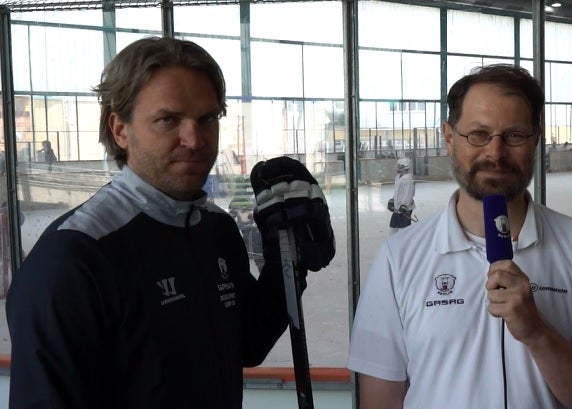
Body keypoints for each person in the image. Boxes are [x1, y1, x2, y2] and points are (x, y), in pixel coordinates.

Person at [5, 37, 332, 408]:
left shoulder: (215, 229)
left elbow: (246, 344)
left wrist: (285, 264)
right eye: (167, 120)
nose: (194, 140)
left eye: (207, 118)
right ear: (120, 129)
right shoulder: (71, 261)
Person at [348, 64, 572, 408]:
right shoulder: (398, 260)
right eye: (478, 134)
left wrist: (537, 333)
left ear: (536, 139)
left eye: (514, 135)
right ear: (448, 138)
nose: (495, 152)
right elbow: (380, 400)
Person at [387, 157, 415, 234]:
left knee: (404, 228)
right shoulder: (398, 177)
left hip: (404, 208)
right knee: (393, 226)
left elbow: (409, 193)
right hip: (397, 207)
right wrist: (392, 200)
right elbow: (396, 192)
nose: (398, 167)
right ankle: (393, 242)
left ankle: (404, 243)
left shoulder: (408, 178)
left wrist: (404, 205)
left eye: (400, 166)